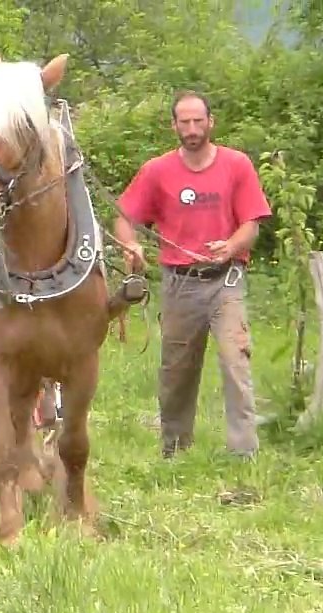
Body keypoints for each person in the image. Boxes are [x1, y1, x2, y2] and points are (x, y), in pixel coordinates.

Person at [113, 91, 272, 459]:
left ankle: (243, 453)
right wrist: (131, 244)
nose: (192, 128)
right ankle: (175, 449)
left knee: (236, 361)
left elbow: (252, 223)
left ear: (211, 122)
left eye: (198, 121)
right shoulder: (157, 170)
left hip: (226, 281)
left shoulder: (237, 165)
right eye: (184, 122)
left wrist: (232, 245)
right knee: (176, 372)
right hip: (180, 284)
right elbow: (124, 216)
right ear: (173, 126)